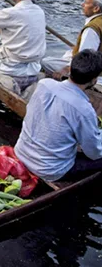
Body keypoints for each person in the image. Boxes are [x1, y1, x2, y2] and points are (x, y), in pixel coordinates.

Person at [14, 50, 102, 181]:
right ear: (94, 80)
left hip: (21, 152)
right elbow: (94, 152)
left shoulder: (44, 84)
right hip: (50, 170)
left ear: (71, 69)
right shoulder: (84, 108)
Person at [42, 0, 102, 77]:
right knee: (69, 53)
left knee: (46, 62)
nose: (82, 5)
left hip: (95, 74)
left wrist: (66, 69)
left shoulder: (92, 28)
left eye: (86, 3)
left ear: (96, 8)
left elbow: (85, 59)